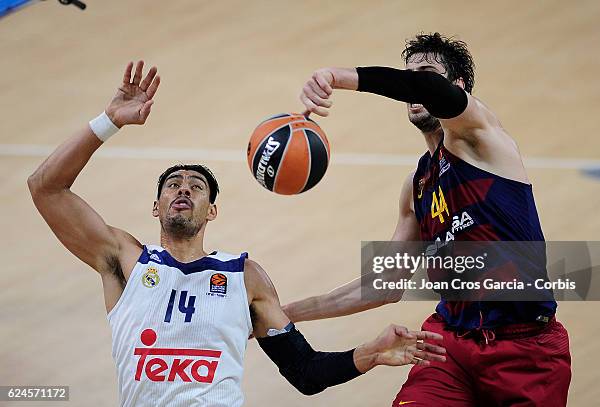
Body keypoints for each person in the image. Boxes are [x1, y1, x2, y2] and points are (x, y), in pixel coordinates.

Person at [27, 60, 447, 407]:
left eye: (196, 185)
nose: (184, 188)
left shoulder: (245, 278)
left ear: (212, 211)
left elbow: (306, 373)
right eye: (173, 184)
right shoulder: (123, 260)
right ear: (155, 208)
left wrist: (370, 354)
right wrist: (108, 122)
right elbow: (45, 186)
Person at [285, 33, 571, 406]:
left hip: (525, 352)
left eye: (427, 75)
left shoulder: (483, 137)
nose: (414, 86)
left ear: (457, 87)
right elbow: (383, 284)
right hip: (447, 345)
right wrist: (285, 313)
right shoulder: (417, 186)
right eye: (410, 76)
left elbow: (421, 87)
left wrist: (337, 77)